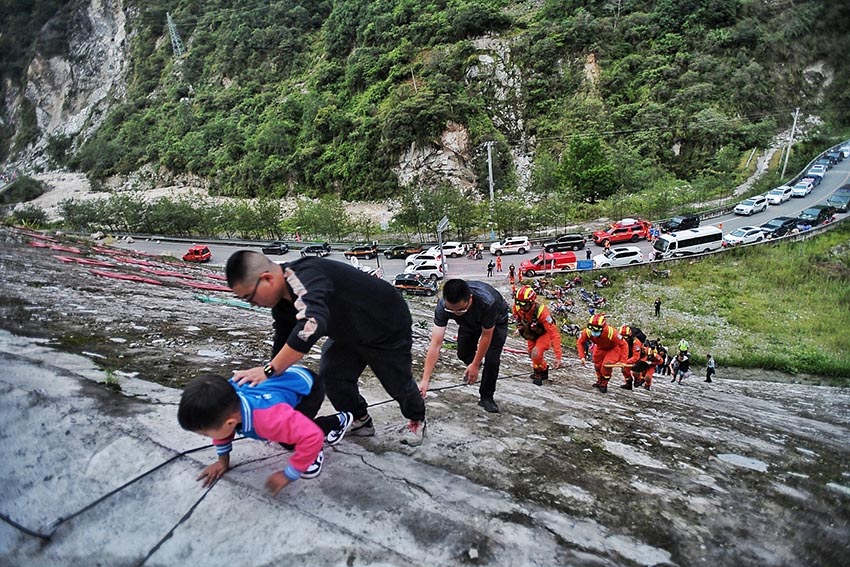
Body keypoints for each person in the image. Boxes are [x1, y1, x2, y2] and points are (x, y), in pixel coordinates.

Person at [226, 251, 427, 446]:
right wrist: (271, 375)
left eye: (249, 297)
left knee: (397, 382)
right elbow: (283, 335)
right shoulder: (281, 303)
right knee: (332, 376)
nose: (252, 304)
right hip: (347, 331)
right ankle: (361, 420)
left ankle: (417, 419)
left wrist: (269, 371)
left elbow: (311, 324)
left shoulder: (304, 276)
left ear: (267, 278)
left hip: (385, 325)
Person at [178, 373, 336, 495]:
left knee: (290, 440)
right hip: (279, 383)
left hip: (308, 388)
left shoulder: (269, 419)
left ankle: (338, 421)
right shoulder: (225, 401)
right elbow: (221, 429)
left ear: (231, 423)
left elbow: (311, 436)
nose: (206, 436)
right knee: (283, 431)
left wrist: (289, 473)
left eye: (205, 434)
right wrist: (222, 461)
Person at [420, 278, 509, 413]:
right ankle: (476, 366)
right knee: (463, 353)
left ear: (470, 299)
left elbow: (486, 336)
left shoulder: (487, 302)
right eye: (452, 310)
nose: (456, 313)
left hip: (495, 321)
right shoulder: (443, 307)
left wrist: (475, 364)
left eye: (461, 309)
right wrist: (425, 380)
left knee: (492, 359)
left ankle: (486, 397)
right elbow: (436, 343)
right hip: (469, 322)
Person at [512, 285, 562, 386]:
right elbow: (517, 318)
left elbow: (554, 333)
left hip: (544, 334)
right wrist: (519, 327)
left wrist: (558, 356)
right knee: (531, 354)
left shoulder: (542, 312)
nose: (521, 306)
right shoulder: (517, 308)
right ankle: (543, 369)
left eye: (524, 304)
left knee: (536, 353)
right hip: (531, 333)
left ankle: (537, 373)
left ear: (532, 302)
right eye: (518, 303)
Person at [576, 313, 628, 394]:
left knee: (606, 365)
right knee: (597, 365)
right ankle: (599, 381)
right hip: (600, 348)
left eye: (596, 329)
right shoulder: (587, 332)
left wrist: (623, 360)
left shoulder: (611, 332)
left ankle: (604, 383)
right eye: (591, 328)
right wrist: (582, 356)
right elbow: (580, 342)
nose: (593, 330)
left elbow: (624, 344)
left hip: (613, 349)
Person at [618, 325, 644, 390]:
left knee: (636, 371)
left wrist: (624, 362)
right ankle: (628, 383)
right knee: (624, 370)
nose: (624, 339)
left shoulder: (636, 342)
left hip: (639, 355)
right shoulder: (619, 340)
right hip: (628, 353)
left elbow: (636, 357)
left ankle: (638, 380)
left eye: (626, 338)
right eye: (622, 337)